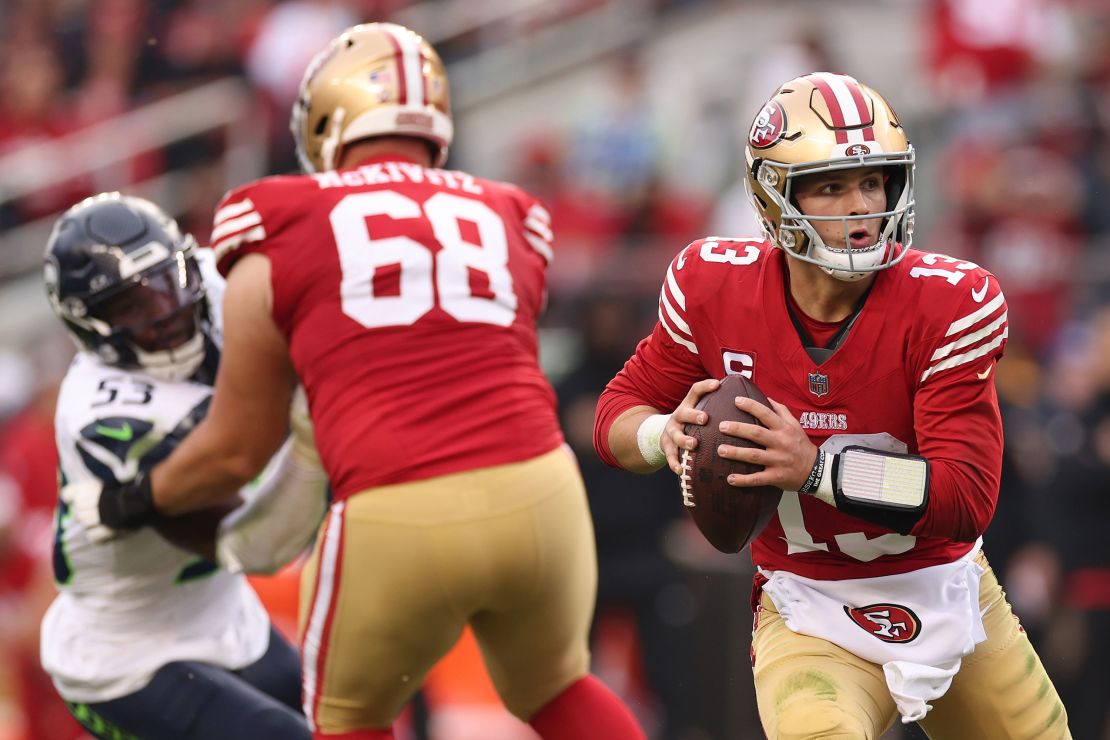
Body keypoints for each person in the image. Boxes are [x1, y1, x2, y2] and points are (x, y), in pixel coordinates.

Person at [63, 24, 644, 740]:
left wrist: (133, 497)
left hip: (401, 505)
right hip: (543, 490)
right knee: (559, 689)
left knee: (343, 721)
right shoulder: (511, 211)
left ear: (327, 116)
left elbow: (238, 449)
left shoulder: (276, 215)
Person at [593, 72, 1071, 739]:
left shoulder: (949, 304)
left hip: (943, 588)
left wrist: (816, 468)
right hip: (807, 603)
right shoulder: (712, 285)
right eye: (830, 186)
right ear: (774, 196)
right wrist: (661, 434)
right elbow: (615, 411)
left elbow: (965, 498)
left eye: (873, 182)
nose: (861, 205)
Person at [42, 192, 327, 739]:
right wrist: (311, 438)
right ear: (89, 324)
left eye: (167, 280)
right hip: (126, 656)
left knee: (347, 712)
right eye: (131, 305)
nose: (165, 309)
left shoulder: (216, 288)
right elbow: (256, 544)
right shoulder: (101, 415)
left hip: (226, 618)